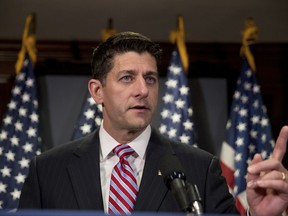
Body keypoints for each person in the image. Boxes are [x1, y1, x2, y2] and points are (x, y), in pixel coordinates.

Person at [18, 32, 288, 215]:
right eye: (127, 78)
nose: (142, 90)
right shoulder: (46, 171)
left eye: (150, 79)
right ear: (97, 91)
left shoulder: (200, 168)